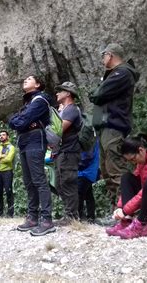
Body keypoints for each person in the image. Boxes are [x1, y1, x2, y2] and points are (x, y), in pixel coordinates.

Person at [89, 43, 140, 208]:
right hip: (106, 126)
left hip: (114, 125)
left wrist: (97, 93)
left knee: (115, 168)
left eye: (103, 56)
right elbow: (98, 95)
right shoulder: (113, 75)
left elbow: (98, 94)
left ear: (110, 55)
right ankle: (115, 210)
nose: (102, 60)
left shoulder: (123, 73)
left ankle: (126, 209)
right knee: (106, 170)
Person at [9, 75, 56, 236]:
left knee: (39, 180)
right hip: (24, 141)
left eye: (29, 79)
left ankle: (47, 220)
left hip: (35, 140)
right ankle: (32, 218)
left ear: (37, 84)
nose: (25, 80)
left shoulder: (40, 99)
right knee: (29, 182)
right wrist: (18, 120)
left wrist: (20, 121)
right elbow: (14, 121)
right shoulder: (29, 102)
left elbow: (21, 122)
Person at [54, 81, 82, 224]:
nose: (57, 93)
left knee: (68, 182)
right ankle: (69, 214)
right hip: (62, 152)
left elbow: (59, 129)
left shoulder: (71, 109)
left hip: (69, 152)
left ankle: (72, 217)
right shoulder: (65, 110)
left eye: (60, 90)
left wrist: (57, 115)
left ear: (68, 93)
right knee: (60, 184)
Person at [0, 130, 16, 217]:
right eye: (0, 135)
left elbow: (9, 159)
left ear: (7, 136)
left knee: (8, 191)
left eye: (3, 135)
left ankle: (10, 213)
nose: (1, 136)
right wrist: (2, 157)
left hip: (7, 171)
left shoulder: (11, 147)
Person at [78, 140, 100, 223]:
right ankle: (91, 217)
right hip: (90, 171)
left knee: (79, 194)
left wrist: (75, 163)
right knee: (88, 194)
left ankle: (78, 217)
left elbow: (86, 157)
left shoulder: (87, 136)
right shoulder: (92, 136)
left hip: (85, 172)